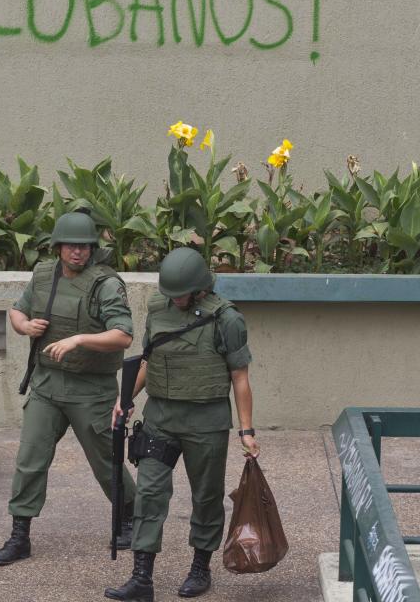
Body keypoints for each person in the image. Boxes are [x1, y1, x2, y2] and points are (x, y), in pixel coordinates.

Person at [104, 247, 259, 600]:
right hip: (160, 417)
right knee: (149, 495)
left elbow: (240, 376)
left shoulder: (227, 319)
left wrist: (246, 430)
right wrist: (125, 398)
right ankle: (142, 577)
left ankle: (200, 568)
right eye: (169, 293)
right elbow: (148, 360)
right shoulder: (159, 310)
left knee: (206, 497)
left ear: (200, 289)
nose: (173, 300)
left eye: (180, 294)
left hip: (206, 422)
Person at [0, 210, 138, 566]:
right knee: (30, 459)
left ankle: (130, 516)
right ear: (58, 247)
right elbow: (16, 311)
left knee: (107, 461)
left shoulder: (105, 284)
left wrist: (79, 339)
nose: (78, 253)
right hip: (47, 384)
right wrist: (25, 326)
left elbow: (124, 335)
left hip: (91, 389)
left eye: (85, 246)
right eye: (71, 245)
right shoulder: (43, 275)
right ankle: (19, 535)